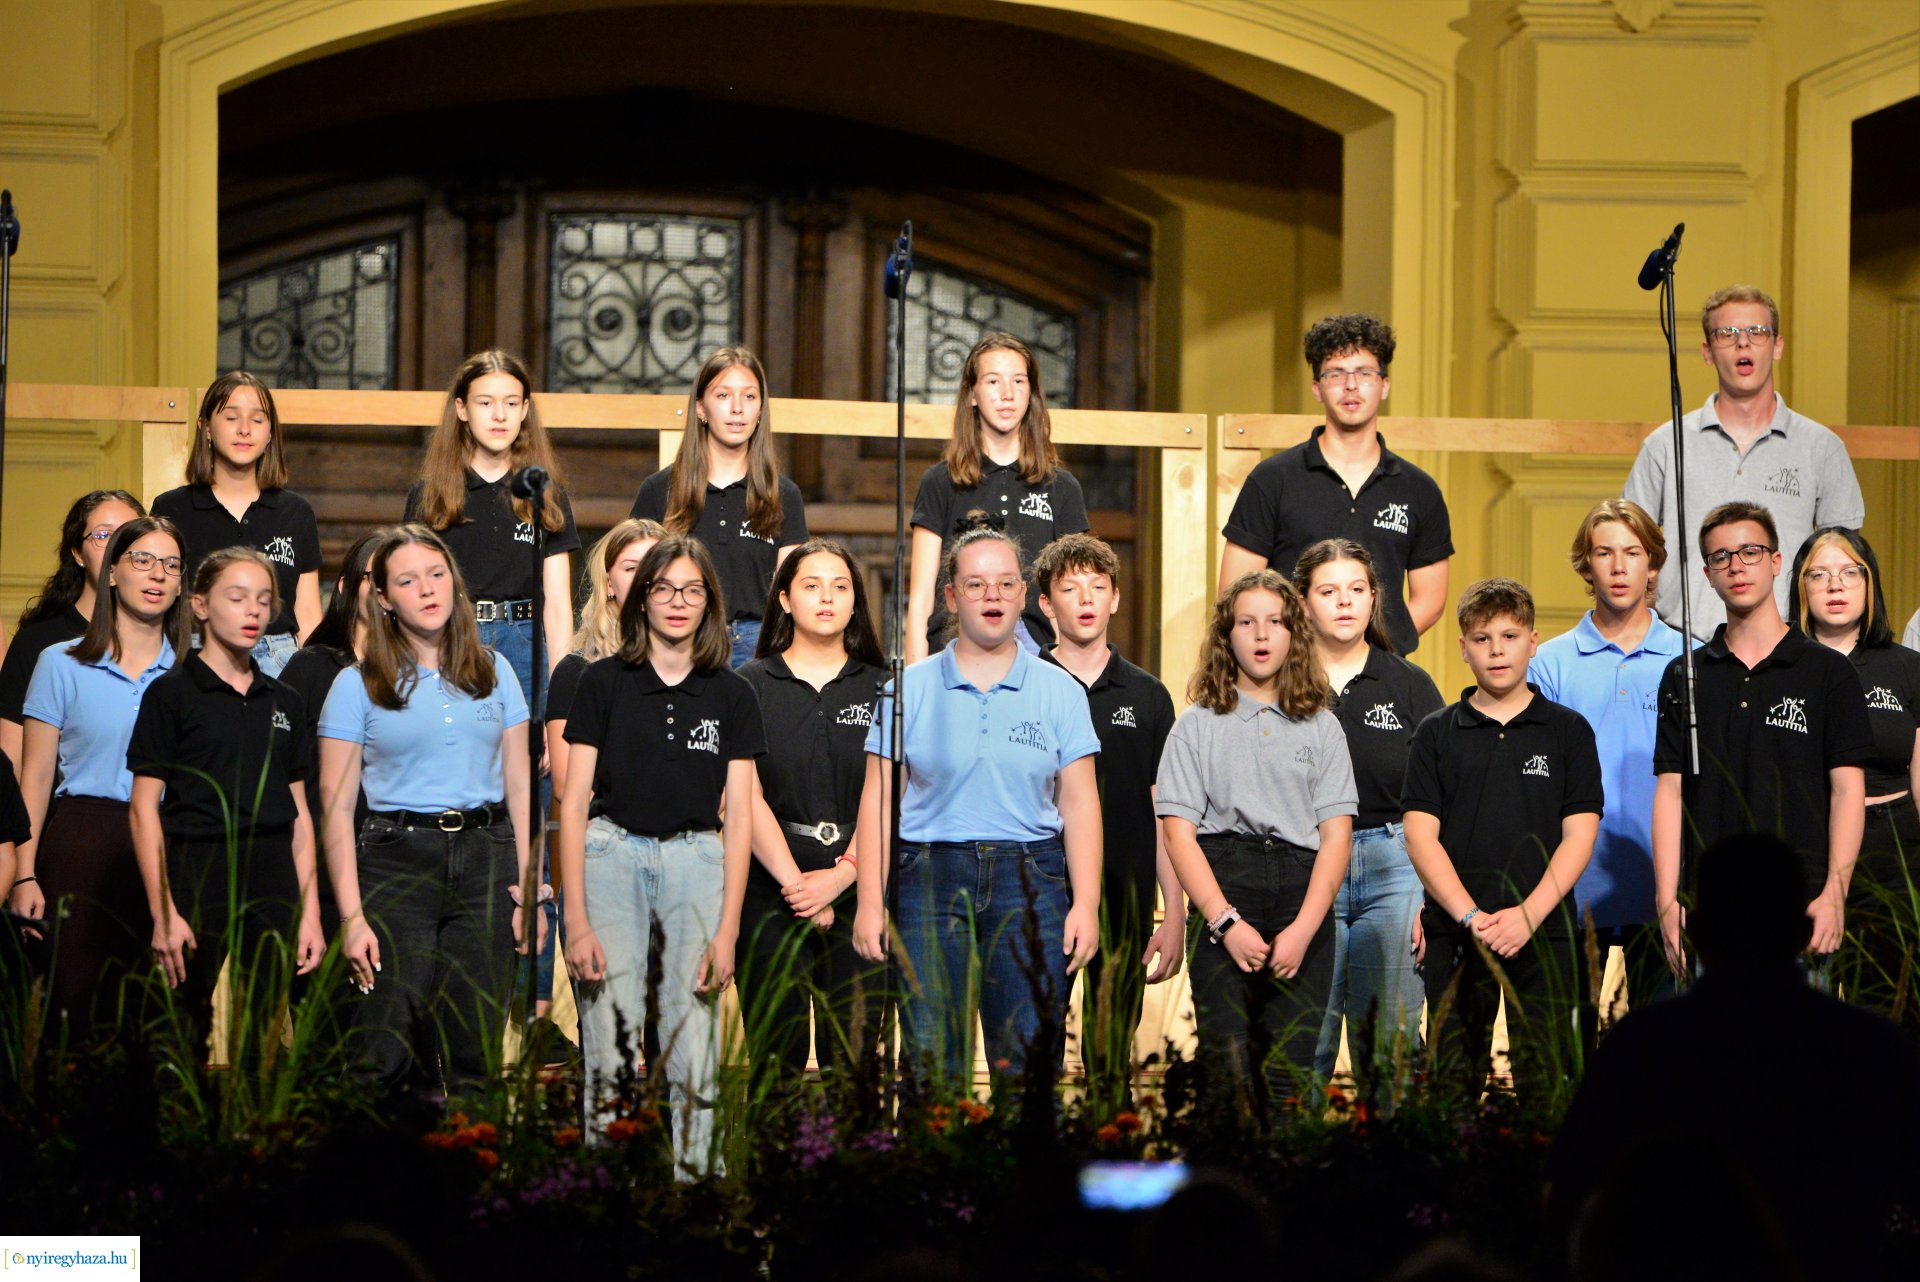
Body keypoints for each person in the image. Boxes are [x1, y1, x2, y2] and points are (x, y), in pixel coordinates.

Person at [1550, 832, 1920, 1282]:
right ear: (1803, 933)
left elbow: (1571, 1189)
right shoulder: (1873, 1049)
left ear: (1699, 931)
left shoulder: (1642, 1048)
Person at [853, 520, 1103, 1093]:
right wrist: (870, 901)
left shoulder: (1060, 690)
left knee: (1028, 1068)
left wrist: (1085, 902)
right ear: (949, 597)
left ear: (1022, 595)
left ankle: (1018, 1186)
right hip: (927, 880)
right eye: (975, 584)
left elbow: (1081, 803)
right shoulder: (906, 689)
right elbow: (878, 799)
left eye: (1005, 583)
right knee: (932, 1066)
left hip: (1031, 881)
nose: (992, 596)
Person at [555, 534, 763, 1176]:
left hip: (696, 859)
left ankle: (696, 1194)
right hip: (610, 854)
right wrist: (576, 919)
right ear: (640, 598)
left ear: (710, 604)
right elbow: (571, 802)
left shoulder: (732, 693)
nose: (678, 602)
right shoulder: (601, 682)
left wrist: (728, 929)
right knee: (609, 1043)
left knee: (692, 1041)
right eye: (664, 588)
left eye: (692, 590)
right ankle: (608, 1194)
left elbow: (743, 817)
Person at [316, 524, 539, 1102]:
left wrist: (530, 884)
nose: (428, 589)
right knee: (383, 1052)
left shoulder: (496, 671)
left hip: (487, 856)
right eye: (408, 581)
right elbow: (337, 809)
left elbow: (520, 789)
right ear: (384, 599)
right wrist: (351, 917)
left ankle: (478, 1189)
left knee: (477, 1052)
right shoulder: (355, 684)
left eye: (437, 575)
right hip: (397, 860)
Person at [1155, 569, 1355, 1120]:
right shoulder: (1195, 725)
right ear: (1227, 635)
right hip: (1225, 882)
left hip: (1302, 894)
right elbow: (1178, 832)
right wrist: (1223, 922)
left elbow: (1337, 837)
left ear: (1294, 633)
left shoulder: (1321, 725)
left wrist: (1304, 930)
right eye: (1247, 623)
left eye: (1275, 622)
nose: (1262, 635)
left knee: (1291, 1073)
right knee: (1227, 1069)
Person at [1402, 578, 1602, 1106]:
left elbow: (1579, 834)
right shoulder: (1435, 733)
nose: (1497, 650)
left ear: (1534, 641)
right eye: (1482, 638)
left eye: (1510, 636)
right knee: (1451, 1089)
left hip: (1546, 930)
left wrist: (1528, 915)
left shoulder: (1568, 732)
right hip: (1458, 932)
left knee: (1553, 1089)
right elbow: (1420, 835)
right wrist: (1471, 917)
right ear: (1462, 648)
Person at [1652, 502, 1871, 982]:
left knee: (1797, 1056)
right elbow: (1670, 792)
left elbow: (1848, 791)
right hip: (1705, 916)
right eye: (1721, 556)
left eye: (1750, 551)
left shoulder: (1828, 672)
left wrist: (1835, 893)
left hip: (1801, 913)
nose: (1736, 565)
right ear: (1707, 574)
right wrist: (1667, 902)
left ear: (1775, 562)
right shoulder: (1684, 675)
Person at [128, 547, 325, 1065]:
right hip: (199, 866)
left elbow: (300, 813)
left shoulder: (284, 700)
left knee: (263, 1034)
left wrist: (308, 914)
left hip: (272, 871)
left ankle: (254, 1144)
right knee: (178, 1030)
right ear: (198, 605)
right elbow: (144, 807)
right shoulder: (171, 695)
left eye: (263, 601)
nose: (253, 612)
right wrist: (163, 910)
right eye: (236, 598)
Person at [8, 516, 192, 1041]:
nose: (157, 574)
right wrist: (24, 874)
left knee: (162, 1021)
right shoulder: (59, 663)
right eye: (142, 560)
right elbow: (36, 777)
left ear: (182, 583)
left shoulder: (196, 670)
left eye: (171, 564)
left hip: (172, 846)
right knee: (76, 1015)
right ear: (111, 573)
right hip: (84, 843)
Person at [1623, 284, 1865, 642]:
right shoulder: (1665, 444)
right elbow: (1629, 548)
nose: (1743, 343)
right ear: (1707, 351)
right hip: (1683, 646)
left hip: (1790, 647)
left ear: (1777, 345)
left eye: (1757, 331)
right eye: (1727, 333)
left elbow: (1843, 559)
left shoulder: (1821, 447)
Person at [1031, 532, 1181, 1110]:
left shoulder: (1148, 696)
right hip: (1040, 890)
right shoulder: (1025, 685)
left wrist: (1174, 913)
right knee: (1031, 1051)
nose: (1086, 598)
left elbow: (1164, 811)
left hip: (1126, 893)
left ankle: (1106, 1176)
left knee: (1110, 1057)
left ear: (1116, 597)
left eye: (1098, 586)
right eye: (1070, 588)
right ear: (1046, 604)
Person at [737, 537, 888, 1088]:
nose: (826, 598)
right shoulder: (748, 686)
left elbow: (893, 795)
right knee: (772, 1069)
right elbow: (741, 797)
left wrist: (842, 877)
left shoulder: (886, 688)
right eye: (811, 585)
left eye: (840, 586)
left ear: (855, 604)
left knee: (853, 1071)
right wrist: (799, 885)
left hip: (862, 888)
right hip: (769, 890)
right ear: (783, 600)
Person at [1292, 538, 1441, 1087]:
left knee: (1392, 1047)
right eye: (1328, 591)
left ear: (1376, 598)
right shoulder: (1280, 683)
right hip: (1305, 863)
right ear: (1303, 602)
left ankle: (1390, 1170)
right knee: (1306, 1039)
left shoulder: (1409, 683)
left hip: (1396, 863)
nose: (1345, 602)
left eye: (1357, 590)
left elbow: (1442, 793)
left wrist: (1434, 895)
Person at [1530, 500, 1687, 1017]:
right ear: (1585, 565)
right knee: (1563, 1062)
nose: (1619, 568)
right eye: (1604, 553)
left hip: (1665, 887)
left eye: (1633, 552)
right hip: (1570, 888)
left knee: (1663, 1062)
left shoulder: (1692, 660)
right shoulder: (1548, 663)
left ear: (1654, 565)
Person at [1219, 314, 1452, 656]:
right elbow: (1235, 591)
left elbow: (1430, 599)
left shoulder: (1418, 489)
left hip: (1381, 678)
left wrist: (1371, 654)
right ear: (1317, 388)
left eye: (1365, 374)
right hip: (1290, 673)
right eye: (1336, 374)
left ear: (1384, 384)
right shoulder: (1272, 479)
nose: (1351, 386)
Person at [1785, 526, 1920, 1022]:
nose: (1835, 586)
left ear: (1871, 584)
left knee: (1893, 1017)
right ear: (1799, 587)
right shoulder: (1780, 667)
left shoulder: (1907, 668)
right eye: (1818, 575)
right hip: (1807, 852)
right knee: (1799, 1023)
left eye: (1849, 573)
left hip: (1895, 856)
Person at [543, 518, 665, 1024]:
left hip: (680, 859)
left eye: (656, 567)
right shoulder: (576, 671)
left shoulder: (701, 672)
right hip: (602, 856)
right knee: (609, 1035)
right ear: (608, 583)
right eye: (632, 567)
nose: (644, 580)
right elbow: (570, 783)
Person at [904, 333, 1090, 663]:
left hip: (1038, 656)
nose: (1007, 394)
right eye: (993, 381)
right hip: (951, 649)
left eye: (1018, 381)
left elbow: (1073, 593)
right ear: (972, 394)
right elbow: (920, 598)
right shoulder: (940, 482)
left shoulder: (1062, 487)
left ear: (1031, 393)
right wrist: (916, 683)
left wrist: (1070, 677)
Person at [405, 349, 579, 696]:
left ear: (525, 410)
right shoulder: (430, 494)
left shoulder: (544, 493)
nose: (500, 415)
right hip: (452, 637)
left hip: (525, 641)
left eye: (512, 404)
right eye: (485, 403)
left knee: (526, 751)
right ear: (462, 409)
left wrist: (560, 693)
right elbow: (410, 592)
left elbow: (558, 605)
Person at [630, 347, 806, 669]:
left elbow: (791, 592)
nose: (737, 409)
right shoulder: (659, 490)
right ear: (701, 408)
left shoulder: (784, 494)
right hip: (679, 643)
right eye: (723, 395)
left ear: (760, 410)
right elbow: (634, 579)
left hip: (758, 648)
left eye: (750, 397)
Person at [151, 373, 323, 675]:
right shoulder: (172, 508)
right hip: (194, 653)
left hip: (278, 658)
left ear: (270, 434)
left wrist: (310, 679)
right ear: (205, 427)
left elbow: (308, 616)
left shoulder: (295, 511)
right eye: (231, 417)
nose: (245, 430)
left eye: (257, 421)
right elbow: (159, 601)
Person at [0, 489, 145, 771]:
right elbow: (11, 759)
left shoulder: (164, 642)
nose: (118, 548)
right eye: (104, 536)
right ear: (77, 553)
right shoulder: (37, 644)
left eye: (130, 536)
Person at [280, 533, 381, 871]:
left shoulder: (420, 675)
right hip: (320, 856)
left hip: (394, 864)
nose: (386, 589)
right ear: (345, 587)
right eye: (375, 577)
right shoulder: (308, 668)